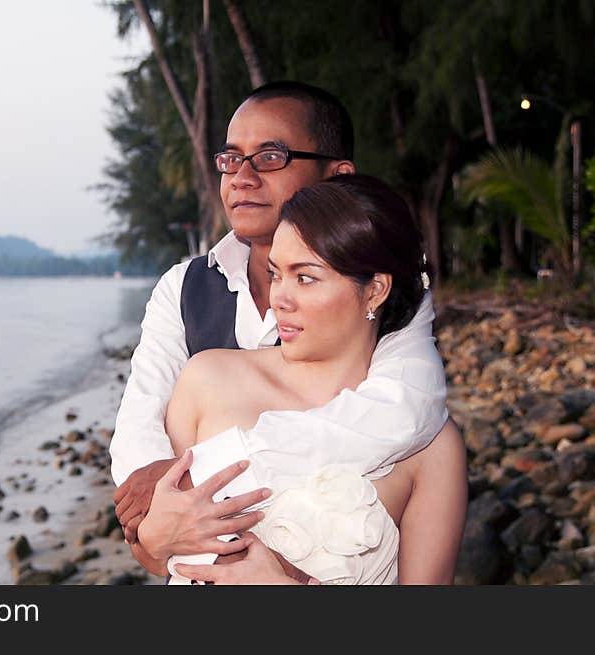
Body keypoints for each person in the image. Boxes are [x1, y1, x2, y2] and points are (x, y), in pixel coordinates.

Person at [111, 82, 448, 554]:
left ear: (337, 175)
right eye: (231, 158)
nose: (241, 177)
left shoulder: (383, 289)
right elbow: (139, 427)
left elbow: (404, 408)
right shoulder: (183, 289)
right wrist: (155, 520)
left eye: (270, 157)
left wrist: (199, 471)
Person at [132, 175, 467, 584]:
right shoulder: (208, 379)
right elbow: (156, 550)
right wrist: (153, 534)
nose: (279, 299)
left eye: (305, 278)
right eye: (276, 274)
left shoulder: (430, 446)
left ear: (375, 290)